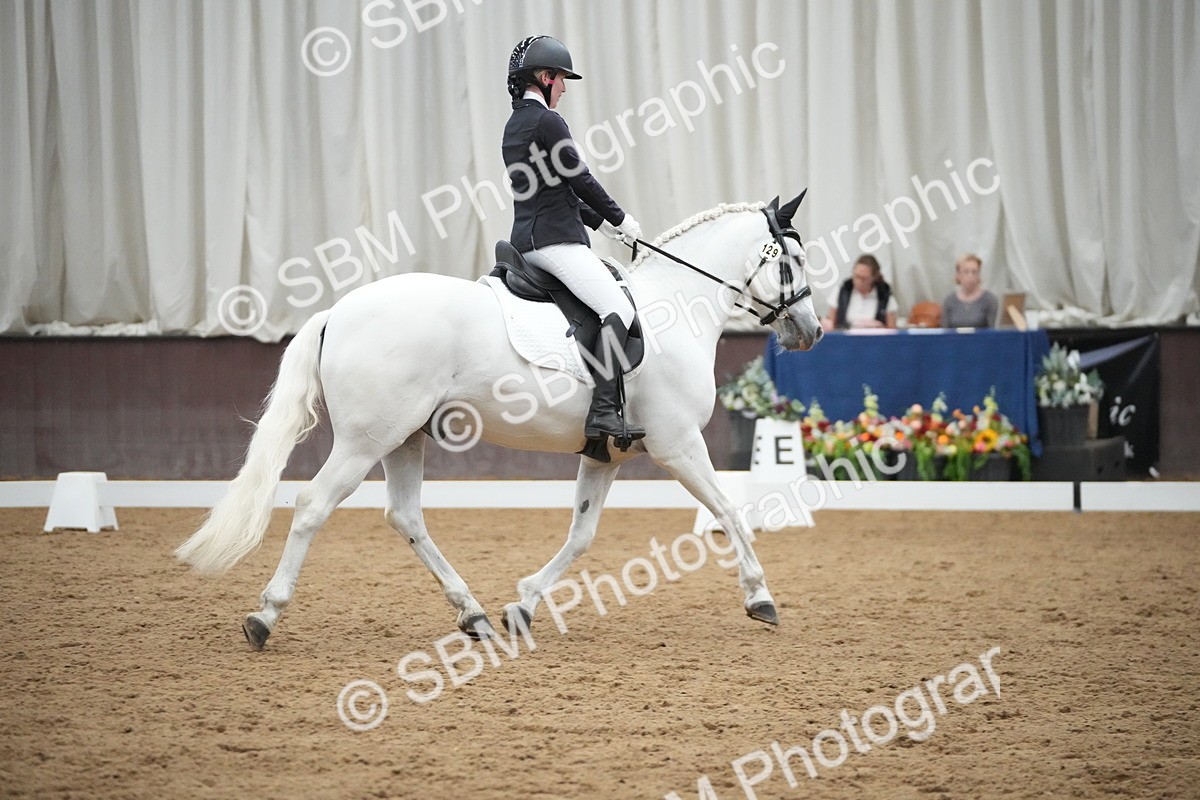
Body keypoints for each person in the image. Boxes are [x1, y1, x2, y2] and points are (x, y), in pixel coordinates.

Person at [502, 35, 644, 444]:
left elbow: (553, 189)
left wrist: (602, 224)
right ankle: (602, 411)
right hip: (554, 242)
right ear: (545, 77)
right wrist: (622, 218)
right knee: (617, 306)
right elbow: (578, 178)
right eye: (561, 78)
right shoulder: (548, 121)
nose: (563, 87)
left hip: (530, 238)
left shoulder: (515, 125)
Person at [821, 254, 898, 330]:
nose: (858, 282)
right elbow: (831, 324)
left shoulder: (884, 294)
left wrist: (879, 328)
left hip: (874, 339)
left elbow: (892, 329)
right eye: (856, 276)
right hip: (846, 338)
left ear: (874, 278)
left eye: (863, 278)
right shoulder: (842, 291)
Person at [941, 254, 998, 328]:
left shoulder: (989, 300)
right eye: (966, 272)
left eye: (974, 272)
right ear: (958, 275)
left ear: (979, 275)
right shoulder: (949, 300)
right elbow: (944, 331)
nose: (970, 276)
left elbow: (994, 331)